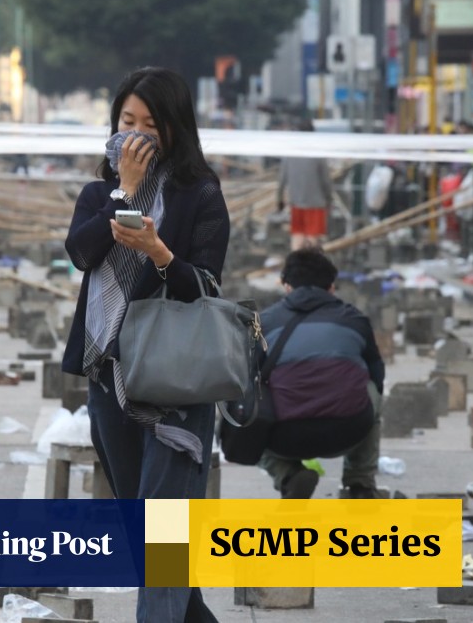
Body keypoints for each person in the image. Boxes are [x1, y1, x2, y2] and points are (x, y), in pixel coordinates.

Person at [62, 67, 229, 623]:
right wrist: (125, 195)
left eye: (149, 125)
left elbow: (206, 287)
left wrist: (160, 252)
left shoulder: (199, 194)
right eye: (126, 122)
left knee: (164, 539)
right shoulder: (97, 193)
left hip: (175, 379)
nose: (134, 136)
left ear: (175, 130)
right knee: (152, 539)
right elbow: (82, 254)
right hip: (109, 375)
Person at [255, 248, 387, 500]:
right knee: (371, 389)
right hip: (347, 431)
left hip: (284, 437)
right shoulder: (354, 319)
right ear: (332, 288)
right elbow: (378, 379)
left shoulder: (265, 321)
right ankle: (360, 483)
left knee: (245, 405)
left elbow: (244, 382)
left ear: (286, 286)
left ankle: (287, 475)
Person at [277, 120, 335, 251]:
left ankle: (297, 265)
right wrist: (329, 200)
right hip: (316, 205)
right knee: (312, 240)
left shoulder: (289, 154)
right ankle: (309, 267)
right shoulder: (317, 154)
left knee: (297, 239)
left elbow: (281, 180)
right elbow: (326, 181)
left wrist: (279, 200)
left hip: (296, 204)